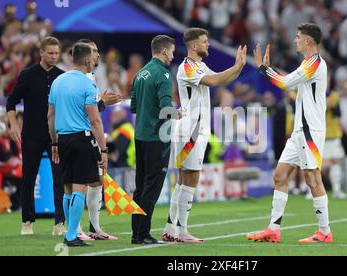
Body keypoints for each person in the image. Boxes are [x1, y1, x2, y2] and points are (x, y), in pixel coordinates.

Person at [246, 23, 333, 243]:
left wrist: (264, 69)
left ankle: (324, 232)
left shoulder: (314, 63)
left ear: (308, 41)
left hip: (310, 130)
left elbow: (284, 84)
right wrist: (269, 69)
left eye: (298, 37)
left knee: (312, 178)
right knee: (280, 176)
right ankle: (273, 230)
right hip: (299, 131)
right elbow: (289, 82)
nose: (295, 40)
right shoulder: (307, 63)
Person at [162, 27, 247, 243]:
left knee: (184, 179)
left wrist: (239, 67)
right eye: (204, 41)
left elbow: (221, 79)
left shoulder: (199, 65)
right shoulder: (187, 68)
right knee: (190, 177)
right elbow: (215, 81)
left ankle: (171, 229)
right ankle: (181, 231)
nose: (207, 44)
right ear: (193, 45)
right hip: (191, 130)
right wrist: (236, 66)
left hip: (194, 130)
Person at [48, 42, 108, 247]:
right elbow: (95, 120)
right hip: (82, 139)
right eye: (92, 57)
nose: (94, 61)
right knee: (79, 188)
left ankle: (70, 231)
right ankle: (72, 235)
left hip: (62, 139)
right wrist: (103, 148)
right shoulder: (87, 84)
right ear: (85, 59)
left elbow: (51, 116)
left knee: (67, 188)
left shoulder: (57, 81)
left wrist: (54, 143)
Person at [6, 36, 66, 236]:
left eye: (56, 53)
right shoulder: (27, 75)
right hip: (31, 134)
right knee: (29, 178)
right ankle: (27, 222)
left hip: (55, 136)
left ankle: (59, 223)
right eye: (50, 53)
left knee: (59, 178)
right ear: (41, 53)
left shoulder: (63, 76)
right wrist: (13, 124)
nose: (54, 56)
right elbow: (11, 102)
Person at [130, 35, 176, 245]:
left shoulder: (140, 74)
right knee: (152, 186)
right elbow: (167, 108)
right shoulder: (163, 75)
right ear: (165, 51)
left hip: (140, 136)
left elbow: (133, 107)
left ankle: (135, 233)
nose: (173, 55)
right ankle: (144, 233)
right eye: (172, 51)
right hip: (157, 138)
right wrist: (178, 113)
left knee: (140, 186)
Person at [73, 39, 121, 241]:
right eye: (93, 51)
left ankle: (94, 227)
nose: (97, 55)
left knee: (97, 180)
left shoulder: (90, 77)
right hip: (79, 134)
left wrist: (101, 103)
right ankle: (72, 229)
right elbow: (85, 112)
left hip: (90, 134)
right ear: (84, 55)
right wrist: (102, 103)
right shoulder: (78, 78)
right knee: (78, 183)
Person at [324, 84, 347, 199]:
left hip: (333, 134)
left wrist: (332, 105)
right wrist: (325, 105)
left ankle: (337, 189)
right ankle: (310, 191)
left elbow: (338, 113)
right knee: (315, 165)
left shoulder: (334, 95)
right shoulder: (312, 93)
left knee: (335, 161)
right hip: (318, 135)